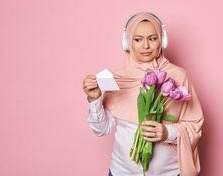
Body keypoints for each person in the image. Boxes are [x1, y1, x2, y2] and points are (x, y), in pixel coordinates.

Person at [82, 12, 204, 176]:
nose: (145, 46)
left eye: (152, 39)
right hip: (121, 173)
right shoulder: (118, 79)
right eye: (138, 39)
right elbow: (101, 129)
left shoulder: (178, 76)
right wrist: (94, 98)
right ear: (127, 42)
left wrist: (167, 133)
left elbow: (194, 125)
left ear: (162, 40)